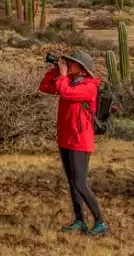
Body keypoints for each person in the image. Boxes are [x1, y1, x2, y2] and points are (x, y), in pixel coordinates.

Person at [38, 49, 109, 236]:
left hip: (80, 140)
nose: (68, 64)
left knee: (80, 183)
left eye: (72, 63)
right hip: (65, 138)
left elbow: (66, 93)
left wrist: (61, 75)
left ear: (83, 69)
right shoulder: (68, 79)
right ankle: (79, 221)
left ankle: (100, 222)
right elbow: (45, 87)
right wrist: (55, 70)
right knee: (72, 182)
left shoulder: (89, 86)